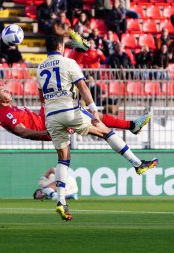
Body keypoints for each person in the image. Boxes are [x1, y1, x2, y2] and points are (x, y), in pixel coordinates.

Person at [36, 35, 158, 221]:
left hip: (51, 116)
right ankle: (138, 164)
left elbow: (41, 97)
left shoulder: (40, 67)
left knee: (63, 158)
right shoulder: (68, 62)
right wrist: (93, 110)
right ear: (60, 46)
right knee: (106, 131)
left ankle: (61, 201)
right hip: (70, 110)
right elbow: (84, 88)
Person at [0, 83, 151, 141]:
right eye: (3, 91)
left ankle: (128, 126)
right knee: (86, 114)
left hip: (45, 118)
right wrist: (48, 131)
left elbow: (0, 119)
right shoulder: (5, 113)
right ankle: (129, 127)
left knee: (53, 91)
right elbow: (23, 132)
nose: (8, 92)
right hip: (51, 126)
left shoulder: (3, 111)